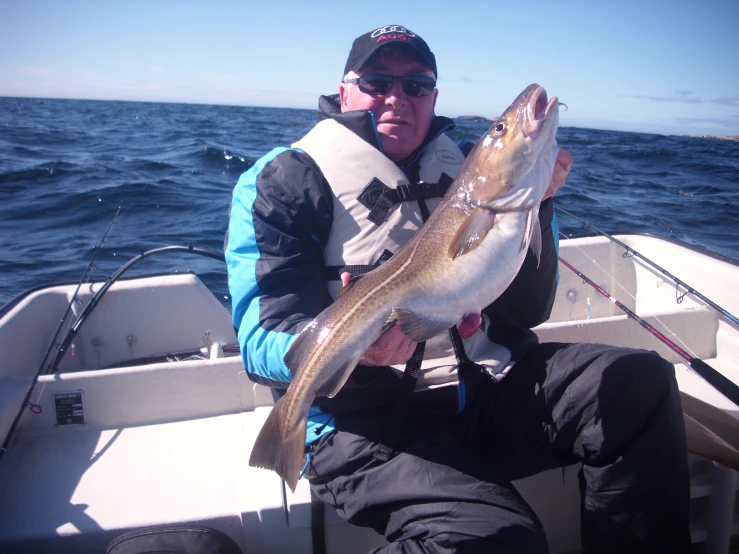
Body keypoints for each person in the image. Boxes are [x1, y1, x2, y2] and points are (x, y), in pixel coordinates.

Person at [225, 25, 689, 554]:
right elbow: (259, 341)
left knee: (638, 383)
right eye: (377, 81)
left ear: (435, 97)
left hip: (483, 387)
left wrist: (538, 205)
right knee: (497, 539)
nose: (397, 97)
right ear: (345, 89)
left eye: (416, 86)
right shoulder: (282, 181)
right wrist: (366, 354)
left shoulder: (470, 174)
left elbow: (529, 309)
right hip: (363, 423)